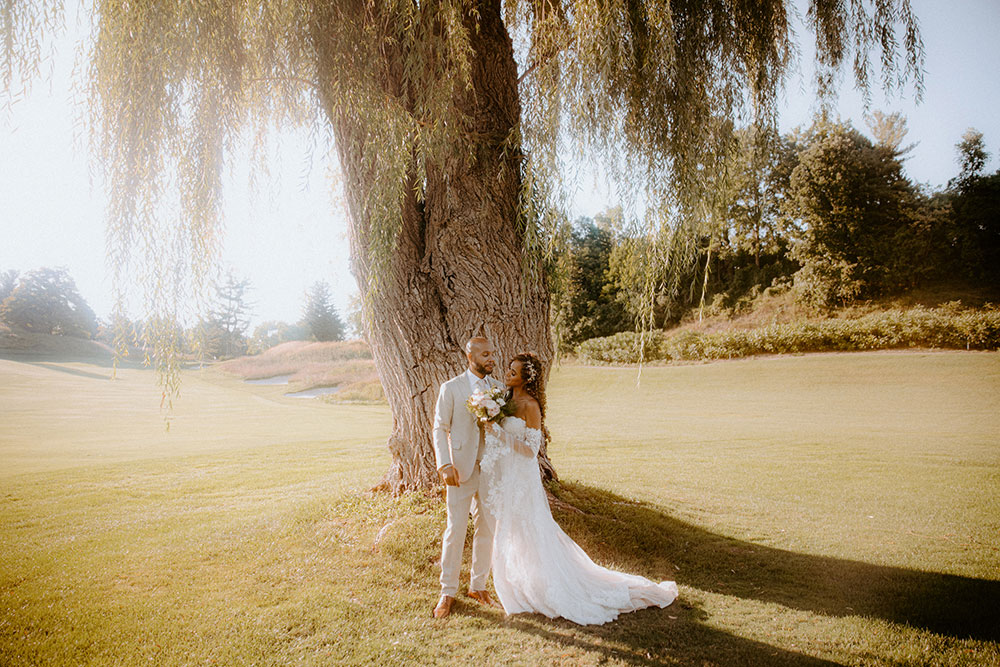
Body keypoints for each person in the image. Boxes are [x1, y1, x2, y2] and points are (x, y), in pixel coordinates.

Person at [481, 352, 678, 625]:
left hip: (522, 478)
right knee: (511, 529)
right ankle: (519, 583)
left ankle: (546, 587)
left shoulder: (530, 405)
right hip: (507, 476)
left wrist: (498, 433)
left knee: (530, 529)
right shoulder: (504, 400)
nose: (508, 374)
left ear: (526, 378)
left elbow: (530, 450)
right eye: (508, 370)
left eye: (513, 372)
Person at [430, 336, 504, 619]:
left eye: (492, 353)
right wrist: (444, 464)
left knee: (487, 528)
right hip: (459, 470)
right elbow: (439, 428)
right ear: (469, 355)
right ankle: (447, 591)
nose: (490, 358)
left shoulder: (498, 389)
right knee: (455, 529)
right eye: (485, 354)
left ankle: (478, 586)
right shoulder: (451, 388)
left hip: (490, 470)